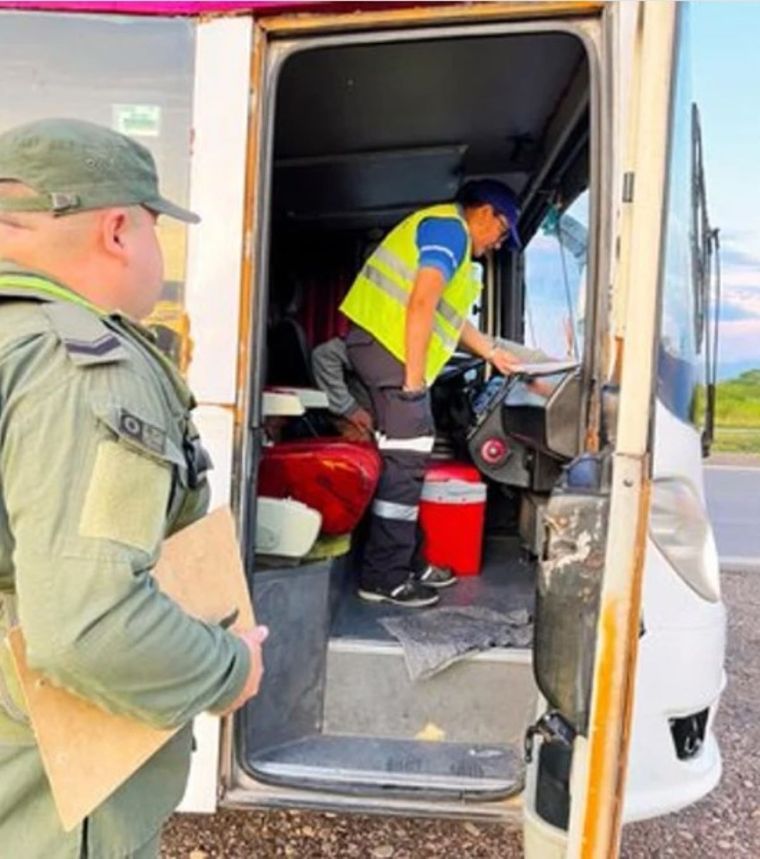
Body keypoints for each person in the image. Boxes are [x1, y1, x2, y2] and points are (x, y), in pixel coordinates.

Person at [0, 118, 268, 858]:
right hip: (42, 798)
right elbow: (91, 630)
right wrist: (231, 668)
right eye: (155, 227)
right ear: (118, 230)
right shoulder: (78, 368)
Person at [338, 179, 529, 608]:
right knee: (406, 462)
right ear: (485, 212)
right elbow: (421, 303)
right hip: (389, 351)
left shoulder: (449, 235)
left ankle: (407, 560)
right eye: (502, 232)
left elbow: (446, 317)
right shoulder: (450, 231)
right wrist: (414, 379)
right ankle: (384, 577)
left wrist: (492, 353)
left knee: (402, 460)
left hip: (379, 347)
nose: (498, 244)